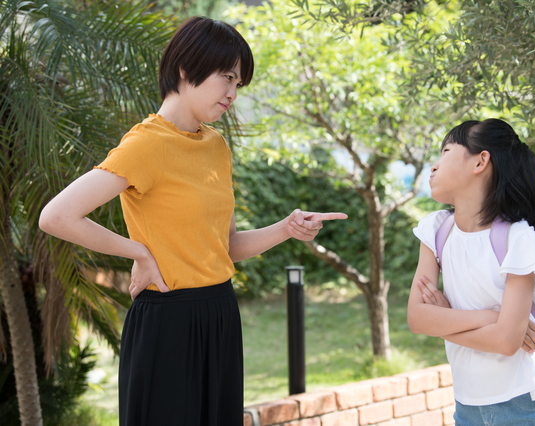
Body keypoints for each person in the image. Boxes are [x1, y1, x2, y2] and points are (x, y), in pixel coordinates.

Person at [39, 17, 347, 426]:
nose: (233, 93)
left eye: (239, 83)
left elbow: (226, 246)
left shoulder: (216, 146)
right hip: (167, 321)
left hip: (220, 313)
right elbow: (56, 216)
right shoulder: (146, 144)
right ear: (186, 68)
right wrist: (138, 252)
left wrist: (286, 228)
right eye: (227, 78)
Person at [407, 119, 535, 425]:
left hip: (525, 404)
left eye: (446, 152)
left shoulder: (518, 239)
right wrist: (493, 318)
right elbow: (417, 318)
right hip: (467, 405)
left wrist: (444, 319)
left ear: (480, 161)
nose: (434, 166)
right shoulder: (436, 230)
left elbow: (506, 342)